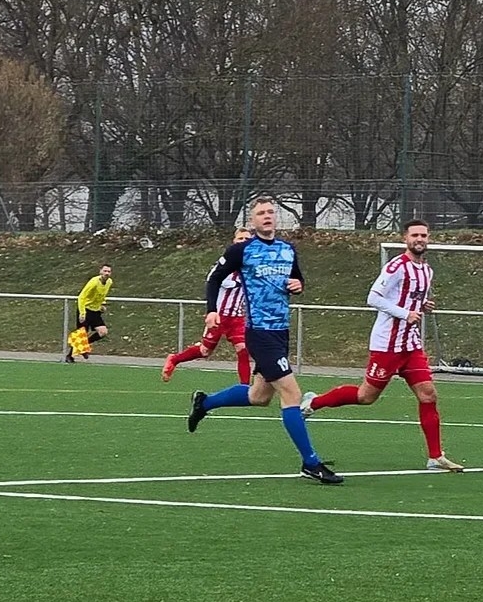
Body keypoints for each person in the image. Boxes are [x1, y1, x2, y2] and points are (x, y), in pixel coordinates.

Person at [184, 196, 342, 484]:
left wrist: (298, 285)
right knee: (292, 394)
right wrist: (211, 310)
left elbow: (297, 281)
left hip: (281, 331)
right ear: (252, 221)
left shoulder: (287, 250)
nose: (267, 216)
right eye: (261, 213)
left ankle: (204, 403)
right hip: (259, 332)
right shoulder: (241, 250)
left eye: (270, 212)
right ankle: (310, 463)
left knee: (259, 396)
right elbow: (214, 278)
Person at [299, 220, 463, 471]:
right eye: (415, 235)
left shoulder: (427, 271)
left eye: (423, 235)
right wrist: (405, 313)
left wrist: (422, 306)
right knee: (365, 397)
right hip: (387, 344)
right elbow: (373, 298)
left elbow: (409, 301)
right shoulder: (396, 266)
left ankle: (435, 456)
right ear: (405, 238)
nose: (419, 239)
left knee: (428, 395)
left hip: (411, 345)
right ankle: (313, 402)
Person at [162, 228, 253, 385]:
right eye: (240, 239)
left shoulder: (251, 266)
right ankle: (175, 359)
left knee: (243, 349)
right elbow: (213, 279)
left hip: (237, 318)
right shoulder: (226, 263)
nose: (243, 242)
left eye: (247, 239)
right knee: (205, 351)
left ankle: (244, 388)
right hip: (219, 316)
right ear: (234, 241)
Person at [65, 264, 113, 362]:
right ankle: (70, 356)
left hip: (95, 311)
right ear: (100, 272)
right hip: (86, 309)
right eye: (105, 271)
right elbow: (82, 297)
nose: (107, 273)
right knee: (81, 335)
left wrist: (102, 304)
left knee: (103, 332)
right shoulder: (94, 282)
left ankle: (84, 346)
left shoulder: (109, 282)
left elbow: (102, 295)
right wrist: (82, 313)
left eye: (108, 271)